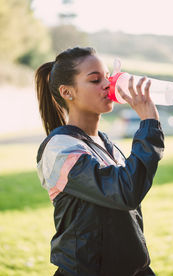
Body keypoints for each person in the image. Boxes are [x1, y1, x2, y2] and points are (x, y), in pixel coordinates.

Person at [35, 46, 164, 276]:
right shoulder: (60, 148)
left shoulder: (107, 144)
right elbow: (126, 191)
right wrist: (149, 124)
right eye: (95, 80)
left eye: (107, 77)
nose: (107, 84)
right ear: (67, 92)